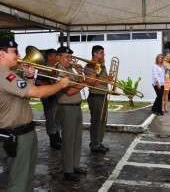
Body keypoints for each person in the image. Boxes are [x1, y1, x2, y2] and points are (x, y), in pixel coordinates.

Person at [0, 39, 70, 191]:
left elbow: (25, 95)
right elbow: (36, 93)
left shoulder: (10, 74)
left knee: (28, 179)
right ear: (1, 53)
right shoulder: (4, 75)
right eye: (14, 52)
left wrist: (30, 78)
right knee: (18, 183)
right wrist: (61, 84)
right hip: (16, 134)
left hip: (26, 131)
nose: (19, 55)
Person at [56, 46, 93, 182]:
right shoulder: (58, 71)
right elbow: (70, 91)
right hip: (66, 108)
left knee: (77, 138)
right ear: (59, 57)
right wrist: (87, 81)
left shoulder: (70, 69)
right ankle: (68, 170)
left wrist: (80, 74)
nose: (70, 59)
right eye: (67, 57)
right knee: (68, 140)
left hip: (76, 107)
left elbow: (78, 84)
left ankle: (75, 165)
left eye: (70, 57)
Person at [84, 45, 112, 154]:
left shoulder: (102, 66)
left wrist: (108, 80)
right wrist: (106, 79)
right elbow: (92, 83)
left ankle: (99, 142)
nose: (103, 54)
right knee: (96, 121)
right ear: (94, 54)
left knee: (103, 120)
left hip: (103, 96)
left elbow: (103, 81)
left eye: (103, 53)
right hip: (95, 96)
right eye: (101, 53)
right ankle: (94, 144)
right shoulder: (89, 66)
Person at [35, 49, 62, 149]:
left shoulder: (56, 66)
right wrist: (52, 84)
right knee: (50, 118)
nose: (57, 58)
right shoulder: (43, 67)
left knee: (57, 118)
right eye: (56, 56)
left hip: (56, 95)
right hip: (48, 97)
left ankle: (57, 135)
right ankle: (52, 140)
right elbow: (38, 83)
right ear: (50, 57)